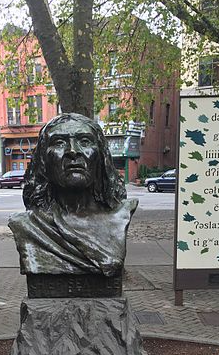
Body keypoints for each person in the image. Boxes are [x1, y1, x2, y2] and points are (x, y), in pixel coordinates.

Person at [9, 113, 137, 276]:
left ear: (101, 157)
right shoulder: (27, 225)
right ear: (43, 160)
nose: (73, 151)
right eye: (59, 142)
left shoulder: (121, 214)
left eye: (85, 141)